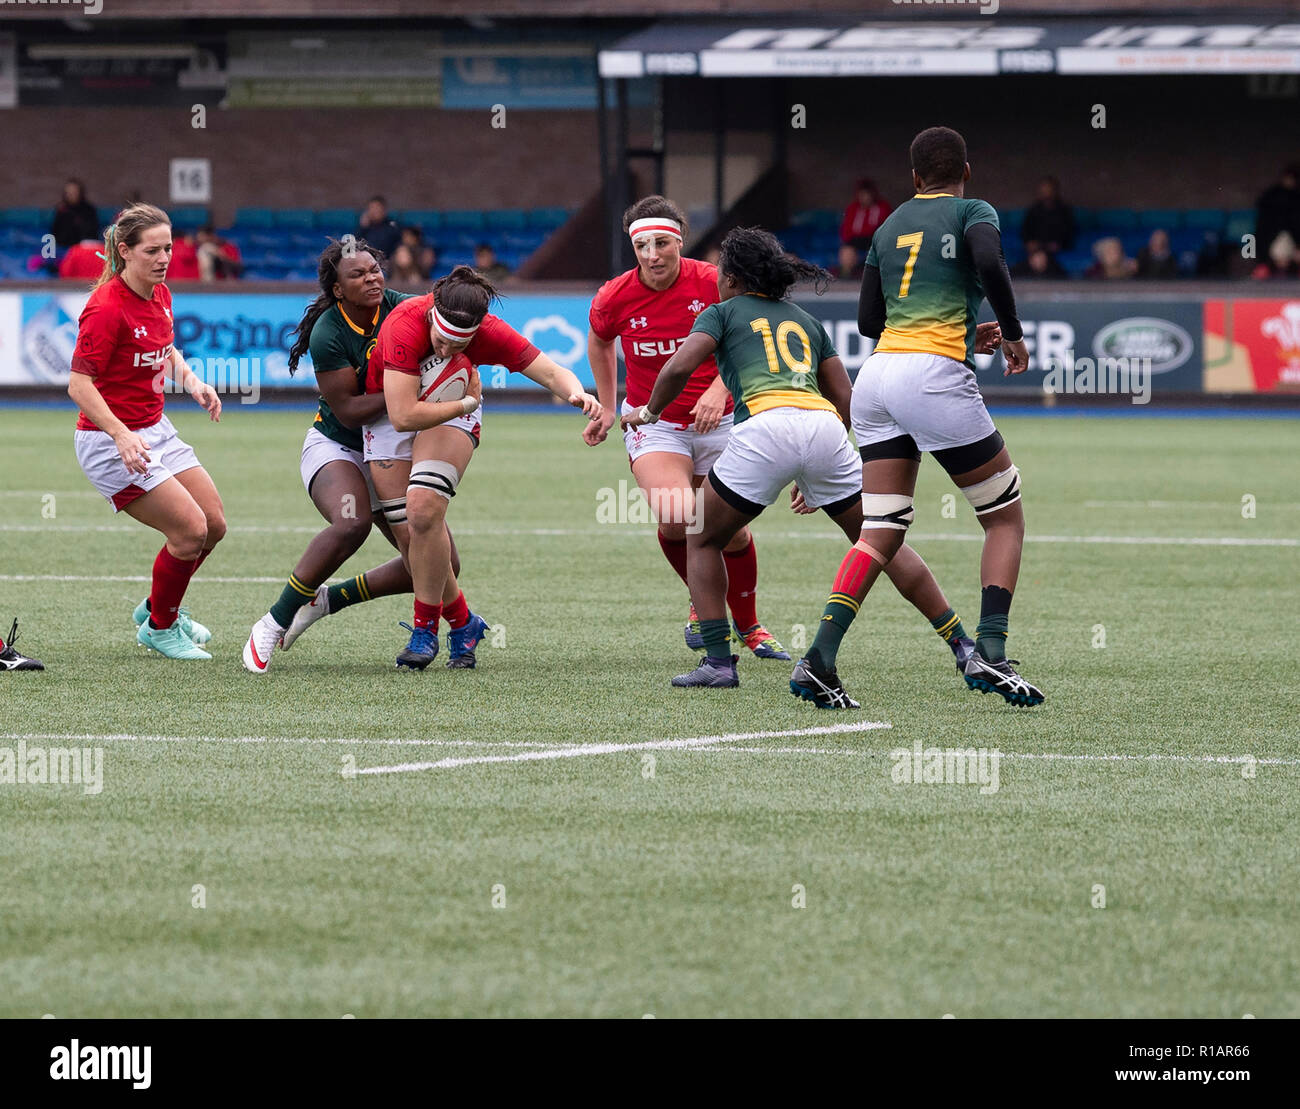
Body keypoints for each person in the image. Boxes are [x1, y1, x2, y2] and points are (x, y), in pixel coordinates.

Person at [622, 226, 993, 690]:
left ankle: (718, 662)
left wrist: (648, 412)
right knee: (880, 541)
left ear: (733, 278)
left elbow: (678, 366)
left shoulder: (720, 313)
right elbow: (845, 395)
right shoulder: (806, 321)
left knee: (699, 535)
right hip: (823, 428)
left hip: (764, 428)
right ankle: (961, 644)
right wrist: (818, 461)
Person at [791, 126, 1043, 709]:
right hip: (932, 379)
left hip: (877, 378)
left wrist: (951, 333)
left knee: (879, 530)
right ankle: (993, 651)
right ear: (967, 172)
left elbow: (868, 320)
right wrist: (1011, 332)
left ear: (912, 179)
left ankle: (819, 658)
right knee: (1004, 519)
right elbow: (987, 256)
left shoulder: (887, 224)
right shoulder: (973, 208)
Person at [242, 239, 478, 673]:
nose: (372, 278)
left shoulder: (406, 308)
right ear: (337, 289)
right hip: (339, 446)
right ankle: (274, 620)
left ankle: (327, 599)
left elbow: (461, 339)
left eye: (374, 269)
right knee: (352, 523)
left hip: (391, 447)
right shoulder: (328, 331)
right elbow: (348, 409)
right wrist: (409, 396)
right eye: (358, 274)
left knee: (438, 563)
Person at [363, 266, 601, 669]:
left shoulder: (490, 330)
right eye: (440, 340)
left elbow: (549, 370)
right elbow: (402, 416)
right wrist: (467, 403)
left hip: (451, 416)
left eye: (458, 346)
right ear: (432, 317)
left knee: (424, 509)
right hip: (395, 415)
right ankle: (463, 623)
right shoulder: (404, 325)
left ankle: (425, 632)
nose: (444, 351)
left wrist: (580, 394)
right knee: (410, 538)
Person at [585, 195, 789, 661]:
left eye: (661, 243)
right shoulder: (614, 296)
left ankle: (751, 626)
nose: (652, 255)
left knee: (731, 533)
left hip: (722, 422)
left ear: (679, 241)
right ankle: (704, 604)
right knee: (679, 517)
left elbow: (750, 333)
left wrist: (720, 388)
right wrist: (609, 402)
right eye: (642, 246)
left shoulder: (714, 283)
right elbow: (599, 339)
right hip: (655, 423)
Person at [66, 203, 226, 660]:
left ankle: (160, 605)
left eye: (169, 249)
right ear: (124, 250)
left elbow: (165, 349)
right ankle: (160, 626)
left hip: (154, 427)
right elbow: (79, 385)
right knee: (190, 531)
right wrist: (119, 433)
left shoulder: (161, 294)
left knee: (214, 525)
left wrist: (194, 382)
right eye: (152, 250)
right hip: (109, 441)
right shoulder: (104, 308)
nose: (163, 258)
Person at [839, 178, 892, 279]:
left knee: (877, 251)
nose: (865, 198)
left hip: (874, 240)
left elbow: (887, 229)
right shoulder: (852, 208)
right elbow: (846, 231)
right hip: (856, 240)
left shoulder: (883, 207)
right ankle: (847, 277)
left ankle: (875, 278)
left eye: (867, 194)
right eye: (862, 195)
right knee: (846, 251)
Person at [1255, 164, 1300, 274]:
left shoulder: (1297, 197)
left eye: (1293, 179)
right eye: (1288, 178)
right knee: (1281, 248)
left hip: (1294, 239)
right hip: (1271, 239)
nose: (1290, 181)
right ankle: (1264, 270)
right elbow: (1264, 227)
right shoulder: (1271, 196)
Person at [1021, 175, 1076, 261]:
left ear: (1055, 191)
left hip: (1056, 249)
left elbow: (1069, 233)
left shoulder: (1064, 211)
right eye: (1043, 189)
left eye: (1049, 189)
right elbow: (1026, 231)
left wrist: (1059, 244)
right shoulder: (1034, 210)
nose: (1046, 192)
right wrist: (1030, 243)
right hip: (1036, 249)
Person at [51, 179, 100, 249]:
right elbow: (56, 233)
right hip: (64, 248)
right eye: (69, 192)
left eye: (74, 192)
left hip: (83, 248)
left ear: (80, 192)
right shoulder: (61, 210)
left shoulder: (89, 210)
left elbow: (91, 233)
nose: (71, 195)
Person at [354, 196, 401, 260]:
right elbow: (355, 245)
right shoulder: (365, 228)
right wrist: (363, 228)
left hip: (387, 263)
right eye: (371, 208)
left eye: (377, 208)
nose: (374, 211)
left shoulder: (392, 226)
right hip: (366, 261)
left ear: (383, 210)